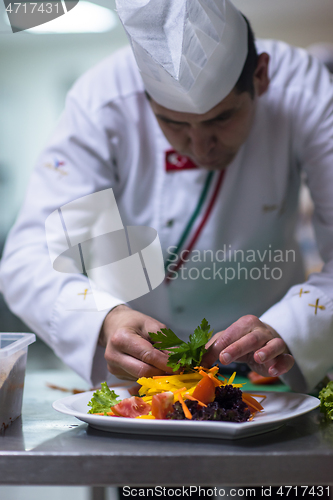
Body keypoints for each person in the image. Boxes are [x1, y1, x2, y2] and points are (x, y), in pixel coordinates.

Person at [0, 0, 333, 393]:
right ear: (145, 99)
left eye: (221, 118)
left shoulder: (305, 90)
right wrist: (106, 319)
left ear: (260, 76)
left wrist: (289, 325)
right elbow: (30, 256)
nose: (200, 147)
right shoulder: (101, 100)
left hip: (267, 365)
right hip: (139, 372)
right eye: (173, 123)